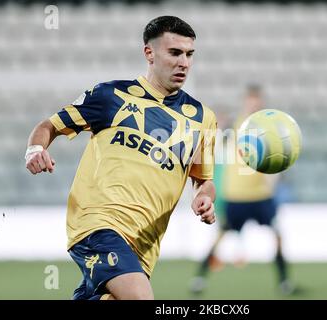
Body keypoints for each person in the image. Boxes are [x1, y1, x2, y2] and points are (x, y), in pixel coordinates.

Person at [25, 16, 217, 300]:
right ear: (149, 53)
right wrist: (36, 149)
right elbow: (48, 126)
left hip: (143, 247)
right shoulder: (110, 95)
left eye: (189, 54)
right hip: (97, 224)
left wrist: (205, 197)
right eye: (174, 53)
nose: (184, 63)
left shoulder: (204, 119)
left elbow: (204, 180)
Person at [190, 85, 295, 296]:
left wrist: (274, 176)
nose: (254, 105)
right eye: (251, 102)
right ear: (245, 103)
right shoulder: (232, 128)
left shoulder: (268, 129)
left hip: (261, 196)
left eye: (257, 102)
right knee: (220, 237)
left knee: (277, 235)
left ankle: (284, 282)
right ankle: (199, 278)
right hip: (236, 196)